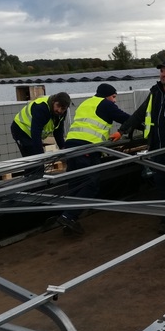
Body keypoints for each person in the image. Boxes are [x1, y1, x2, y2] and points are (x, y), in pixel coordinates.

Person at [117, 58, 165, 234]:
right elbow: (139, 114)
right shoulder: (155, 93)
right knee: (161, 184)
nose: (163, 74)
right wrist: (121, 131)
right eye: (161, 71)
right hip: (157, 148)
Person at [56, 83, 130, 235]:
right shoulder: (105, 104)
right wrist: (147, 127)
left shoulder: (86, 102)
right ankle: (68, 216)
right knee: (91, 185)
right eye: (113, 97)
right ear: (107, 95)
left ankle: (67, 221)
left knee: (75, 185)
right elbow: (125, 118)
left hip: (71, 146)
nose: (114, 101)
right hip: (87, 148)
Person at [10, 92, 70, 157]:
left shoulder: (61, 113)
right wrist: (41, 156)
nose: (59, 110)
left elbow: (58, 132)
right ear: (53, 102)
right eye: (58, 106)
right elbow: (36, 134)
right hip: (21, 129)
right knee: (32, 159)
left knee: (36, 158)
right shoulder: (42, 108)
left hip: (33, 132)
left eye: (63, 108)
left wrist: (63, 149)